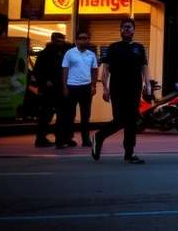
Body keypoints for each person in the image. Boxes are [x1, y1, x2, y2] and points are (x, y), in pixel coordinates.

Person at [91, 18, 151, 164]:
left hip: (134, 87)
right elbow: (105, 69)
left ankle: (129, 154)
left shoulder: (139, 48)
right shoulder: (113, 47)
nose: (127, 29)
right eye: (124, 27)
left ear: (134, 30)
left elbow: (144, 67)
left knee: (131, 121)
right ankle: (99, 136)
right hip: (117, 87)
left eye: (129, 27)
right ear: (120, 30)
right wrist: (104, 87)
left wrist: (147, 85)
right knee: (120, 119)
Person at [58, 31, 98, 148]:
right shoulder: (69, 53)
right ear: (76, 40)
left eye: (86, 38)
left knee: (86, 116)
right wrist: (65, 87)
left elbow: (94, 70)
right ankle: (67, 138)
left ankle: (86, 140)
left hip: (86, 87)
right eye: (82, 38)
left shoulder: (91, 54)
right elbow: (65, 70)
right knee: (70, 115)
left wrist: (93, 86)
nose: (84, 40)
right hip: (72, 87)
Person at [32, 32, 66, 148]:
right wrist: (45, 81)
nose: (61, 43)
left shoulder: (61, 53)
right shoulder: (45, 54)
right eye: (59, 40)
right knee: (46, 115)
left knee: (57, 115)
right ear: (53, 40)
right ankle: (41, 138)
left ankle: (57, 138)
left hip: (58, 88)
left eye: (62, 40)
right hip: (48, 89)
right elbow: (37, 71)